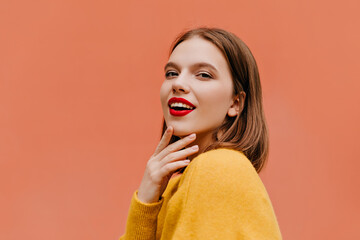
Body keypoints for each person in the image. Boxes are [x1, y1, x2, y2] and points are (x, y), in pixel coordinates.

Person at [119, 27, 282, 239]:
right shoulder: (180, 184)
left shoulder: (217, 168)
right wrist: (146, 202)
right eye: (171, 73)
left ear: (236, 103)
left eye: (203, 75)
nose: (178, 84)